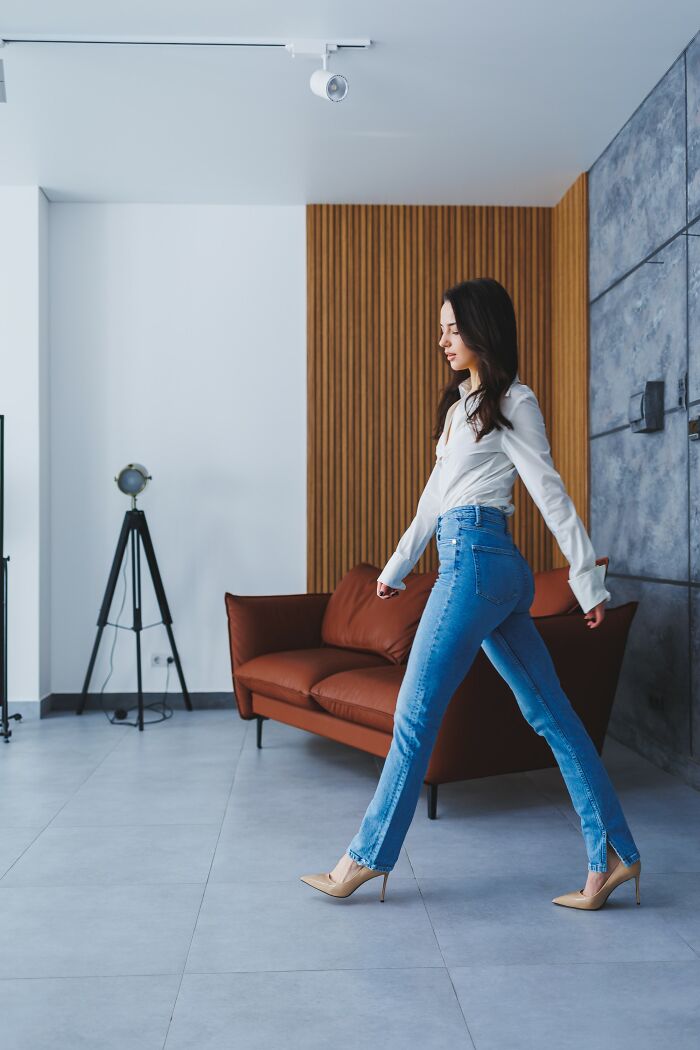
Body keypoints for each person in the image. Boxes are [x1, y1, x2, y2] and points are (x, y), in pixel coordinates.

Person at [301, 277, 641, 912]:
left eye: (453, 327)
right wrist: (398, 565)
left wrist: (585, 580)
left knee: (414, 715)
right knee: (552, 715)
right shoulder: (463, 408)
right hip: (478, 562)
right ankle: (616, 852)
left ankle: (365, 859)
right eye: (441, 329)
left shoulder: (514, 399)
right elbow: (435, 498)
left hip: (479, 565)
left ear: (483, 328)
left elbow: (549, 490)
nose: (443, 339)